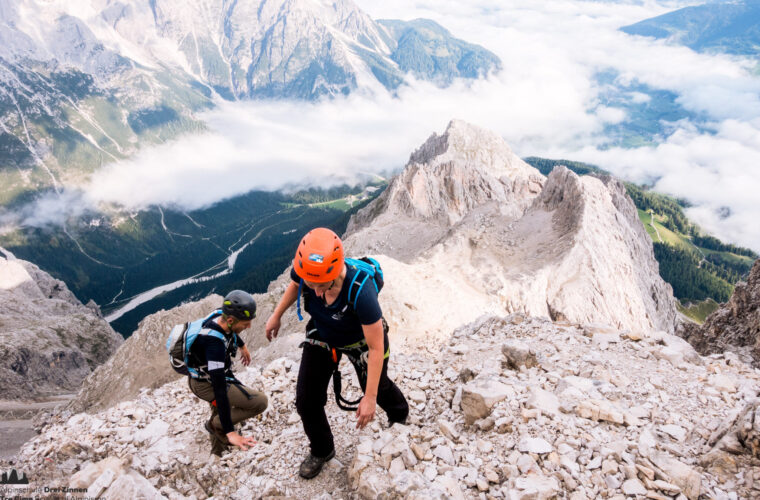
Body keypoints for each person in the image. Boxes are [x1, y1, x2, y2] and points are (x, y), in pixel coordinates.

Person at [265, 228, 409, 479]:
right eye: (312, 285)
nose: (317, 293)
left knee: (378, 386)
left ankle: (399, 416)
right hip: (323, 333)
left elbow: (376, 348)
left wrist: (370, 398)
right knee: (306, 399)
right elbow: (296, 283)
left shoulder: (361, 292)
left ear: (334, 273)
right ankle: (322, 449)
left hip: (362, 343)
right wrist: (276, 315)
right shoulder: (308, 272)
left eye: (323, 286)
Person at [187, 290, 268, 456]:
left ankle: (218, 452)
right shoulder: (214, 346)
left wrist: (242, 346)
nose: (249, 326)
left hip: (204, 376)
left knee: (220, 408)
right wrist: (231, 432)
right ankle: (217, 426)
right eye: (246, 323)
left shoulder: (219, 315)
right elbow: (220, 389)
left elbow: (229, 331)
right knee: (260, 402)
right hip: (206, 384)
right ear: (231, 320)